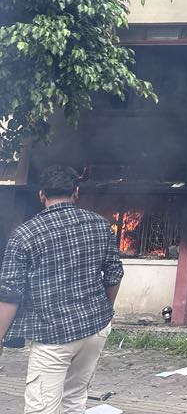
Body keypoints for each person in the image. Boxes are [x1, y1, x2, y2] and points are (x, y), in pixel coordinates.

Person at [0, 165, 123, 414]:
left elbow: (9, 293)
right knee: (74, 399)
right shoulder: (100, 225)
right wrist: (104, 315)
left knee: (41, 408)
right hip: (94, 329)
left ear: (42, 195)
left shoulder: (24, 235)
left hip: (52, 335)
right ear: (75, 192)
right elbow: (114, 274)